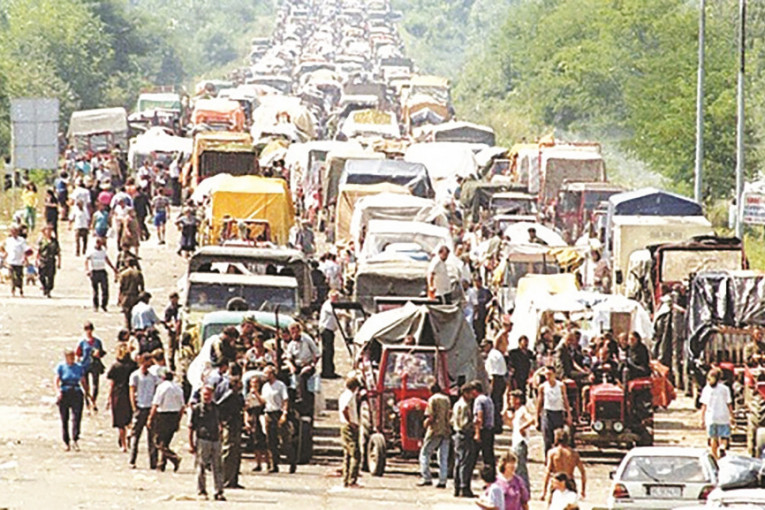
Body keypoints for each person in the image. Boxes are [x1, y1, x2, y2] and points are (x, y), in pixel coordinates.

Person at [189, 385, 225, 501]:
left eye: (209, 394)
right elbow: (191, 427)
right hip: (202, 439)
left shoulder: (217, 408)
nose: (207, 397)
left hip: (215, 439)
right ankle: (201, 491)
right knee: (201, 466)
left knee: (218, 466)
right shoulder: (197, 409)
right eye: (204, 394)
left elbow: (220, 422)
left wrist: (221, 436)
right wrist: (191, 444)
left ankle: (219, 491)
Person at [148, 368, 184, 472]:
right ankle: (161, 464)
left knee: (158, 441)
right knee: (166, 441)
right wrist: (178, 420)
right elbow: (182, 406)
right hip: (174, 415)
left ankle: (174, 458)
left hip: (163, 415)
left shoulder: (162, 387)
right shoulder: (178, 388)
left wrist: (150, 418)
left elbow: (156, 403)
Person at [262, 365, 295, 473]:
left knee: (284, 439)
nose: (265, 376)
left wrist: (284, 413)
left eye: (267, 373)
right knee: (270, 440)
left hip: (278, 412)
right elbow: (263, 400)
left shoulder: (280, 385)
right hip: (268, 413)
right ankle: (273, 464)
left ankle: (291, 461)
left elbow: (285, 400)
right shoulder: (265, 386)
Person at [129, 353, 159, 469]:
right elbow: (132, 390)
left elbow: (156, 389)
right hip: (140, 407)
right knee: (136, 435)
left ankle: (153, 462)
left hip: (150, 407)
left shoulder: (153, 376)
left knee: (152, 437)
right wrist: (134, 407)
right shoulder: (135, 375)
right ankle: (132, 459)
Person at [418, 383, 452, 488]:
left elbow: (431, 416)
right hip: (446, 430)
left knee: (425, 453)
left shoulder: (432, 399)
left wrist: (424, 425)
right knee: (443, 457)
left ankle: (426, 477)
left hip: (435, 430)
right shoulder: (446, 399)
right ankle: (442, 480)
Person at [541, 429, 586, 502]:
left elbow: (548, 472)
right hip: (570, 482)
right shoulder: (573, 454)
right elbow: (583, 472)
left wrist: (544, 491)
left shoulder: (552, 453)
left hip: (557, 481)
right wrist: (583, 490)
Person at [54, 348, 86, 451]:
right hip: (65, 392)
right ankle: (66, 442)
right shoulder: (61, 367)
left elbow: (83, 380)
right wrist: (58, 392)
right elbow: (56, 380)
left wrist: (87, 393)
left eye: (72, 357)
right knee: (65, 419)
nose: (71, 359)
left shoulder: (79, 367)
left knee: (77, 417)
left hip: (76, 392)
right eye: (69, 357)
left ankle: (75, 440)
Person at [218, 370, 245, 489]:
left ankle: (233, 479)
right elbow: (219, 407)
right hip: (230, 425)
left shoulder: (239, 395)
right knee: (228, 452)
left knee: (236, 453)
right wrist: (223, 421)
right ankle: (225, 479)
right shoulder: (228, 396)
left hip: (237, 425)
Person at [106, 342, 135, 452]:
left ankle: (124, 445)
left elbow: (112, 383)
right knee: (130, 419)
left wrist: (109, 398)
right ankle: (130, 434)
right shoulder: (132, 365)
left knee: (120, 422)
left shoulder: (115, 366)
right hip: (129, 393)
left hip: (118, 394)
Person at [536, 366, 571, 455]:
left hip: (558, 413)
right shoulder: (543, 387)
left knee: (559, 438)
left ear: (554, 374)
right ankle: (548, 460)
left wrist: (569, 414)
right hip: (547, 413)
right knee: (547, 439)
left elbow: (565, 400)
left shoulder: (561, 386)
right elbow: (539, 402)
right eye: (546, 374)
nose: (548, 376)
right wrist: (537, 418)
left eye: (549, 374)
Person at [699, 368, 733, 459]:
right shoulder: (725, 389)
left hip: (711, 418)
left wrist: (702, 419)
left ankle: (715, 458)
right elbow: (729, 403)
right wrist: (732, 416)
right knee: (724, 436)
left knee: (713, 438)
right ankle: (722, 448)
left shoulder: (706, 389)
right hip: (723, 417)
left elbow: (704, 406)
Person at [505, 390, 534, 491]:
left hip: (520, 442)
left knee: (520, 469)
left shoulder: (522, 410)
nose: (510, 401)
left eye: (512, 399)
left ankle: (524, 490)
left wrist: (522, 428)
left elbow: (531, 419)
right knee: (516, 468)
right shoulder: (516, 412)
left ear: (518, 400)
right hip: (515, 442)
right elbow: (511, 425)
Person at [285, 322, 318, 409]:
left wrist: (312, 365)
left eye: (296, 332)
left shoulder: (307, 340)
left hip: (308, 364)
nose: (294, 334)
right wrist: (292, 366)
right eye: (292, 333)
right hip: (297, 365)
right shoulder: (291, 345)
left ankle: (302, 399)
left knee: (303, 376)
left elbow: (317, 354)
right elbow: (288, 357)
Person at [76, 321, 106, 411]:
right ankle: (88, 403)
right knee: (86, 386)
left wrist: (99, 354)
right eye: (86, 329)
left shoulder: (97, 341)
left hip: (95, 365)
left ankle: (94, 400)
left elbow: (102, 352)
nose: (88, 331)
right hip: (84, 365)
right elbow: (78, 354)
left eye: (90, 329)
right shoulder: (82, 342)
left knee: (95, 385)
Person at [453, 382, 476, 498]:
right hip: (464, 434)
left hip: (457, 434)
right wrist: (474, 424)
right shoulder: (465, 406)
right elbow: (465, 423)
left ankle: (456, 486)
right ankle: (464, 487)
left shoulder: (457, 404)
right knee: (465, 462)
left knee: (458, 461)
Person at [339, 375, 361, 488]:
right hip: (349, 427)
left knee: (347, 454)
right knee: (355, 454)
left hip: (344, 426)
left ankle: (345, 479)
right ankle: (352, 479)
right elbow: (344, 410)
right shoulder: (349, 396)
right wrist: (351, 422)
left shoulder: (343, 395)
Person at [84, 237, 116, 312]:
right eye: (98, 243)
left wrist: (113, 268)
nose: (99, 245)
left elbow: (107, 259)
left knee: (105, 289)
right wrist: (87, 270)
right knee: (95, 290)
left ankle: (104, 305)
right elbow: (86, 260)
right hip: (94, 271)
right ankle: (95, 306)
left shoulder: (103, 250)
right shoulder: (91, 251)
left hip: (102, 271)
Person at [244, 376, 268, 472]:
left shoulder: (263, 393)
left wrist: (257, 394)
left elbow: (263, 403)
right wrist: (246, 421)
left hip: (261, 416)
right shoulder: (248, 394)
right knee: (255, 442)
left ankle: (267, 462)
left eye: (256, 383)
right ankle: (258, 463)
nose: (254, 385)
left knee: (264, 442)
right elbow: (246, 409)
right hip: (252, 417)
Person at [485, 334, 508, 434]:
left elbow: (494, 373)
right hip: (500, 379)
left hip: (496, 380)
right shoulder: (497, 354)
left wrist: (491, 387)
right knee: (497, 403)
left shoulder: (493, 355)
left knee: (494, 403)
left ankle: (496, 425)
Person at [472, 380, 496, 469]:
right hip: (490, 429)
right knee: (489, 454)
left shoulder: (478, 400)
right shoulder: (488, 399)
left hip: (483, 430)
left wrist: (477, 433)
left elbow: (479, 416)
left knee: (473, 455)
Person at [319, 290, 342, 379]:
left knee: (330, 351)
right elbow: (335, 312)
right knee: (327, 351)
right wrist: (346, 314)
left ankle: (330, 370)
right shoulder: (327, 305)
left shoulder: (333, 305)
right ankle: (327, 372)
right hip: (326, 330)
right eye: (334, 297)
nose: (336, 299)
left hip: (330, 330)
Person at [118, 259, 144, 330]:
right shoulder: (138, 273)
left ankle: (128, 328)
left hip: (126, 296)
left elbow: (121, 287)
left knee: (127, 315)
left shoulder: (123, 274)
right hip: (135, 295)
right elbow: (142, 286)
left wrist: (119, 298)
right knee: (135, 313)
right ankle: (135, 327)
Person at [36, 223, 61, 297]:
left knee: (51, 277)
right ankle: (44, 287)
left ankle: (48, 290)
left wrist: (59, 262)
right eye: (47, 230)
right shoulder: (41, 241)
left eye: (50, 230)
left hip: (51, 260)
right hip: (43, 260)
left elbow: (58, 252)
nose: (49, 232)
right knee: (41, 276)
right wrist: (36, 260)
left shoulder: (54, 241)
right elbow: (38, 251)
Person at [5, 226, 27, 296]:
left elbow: (25, 250)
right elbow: (6, 250)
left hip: (19, 261)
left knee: (19, 276)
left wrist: (25, 259)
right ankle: (13, 290)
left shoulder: (22, 240)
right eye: (12, 232)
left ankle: (20, 289)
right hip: (11, 261)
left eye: (15, 231)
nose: (14, 233)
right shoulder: (8, 240)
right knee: (11, 276)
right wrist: (5, 259)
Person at [164, 292, 181, 371]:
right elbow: (166, 320)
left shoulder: (180, 307)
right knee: (171, 349)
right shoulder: (169, 309)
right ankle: (171, 366)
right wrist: (171, 326)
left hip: (180, 330)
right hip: (172, 332)